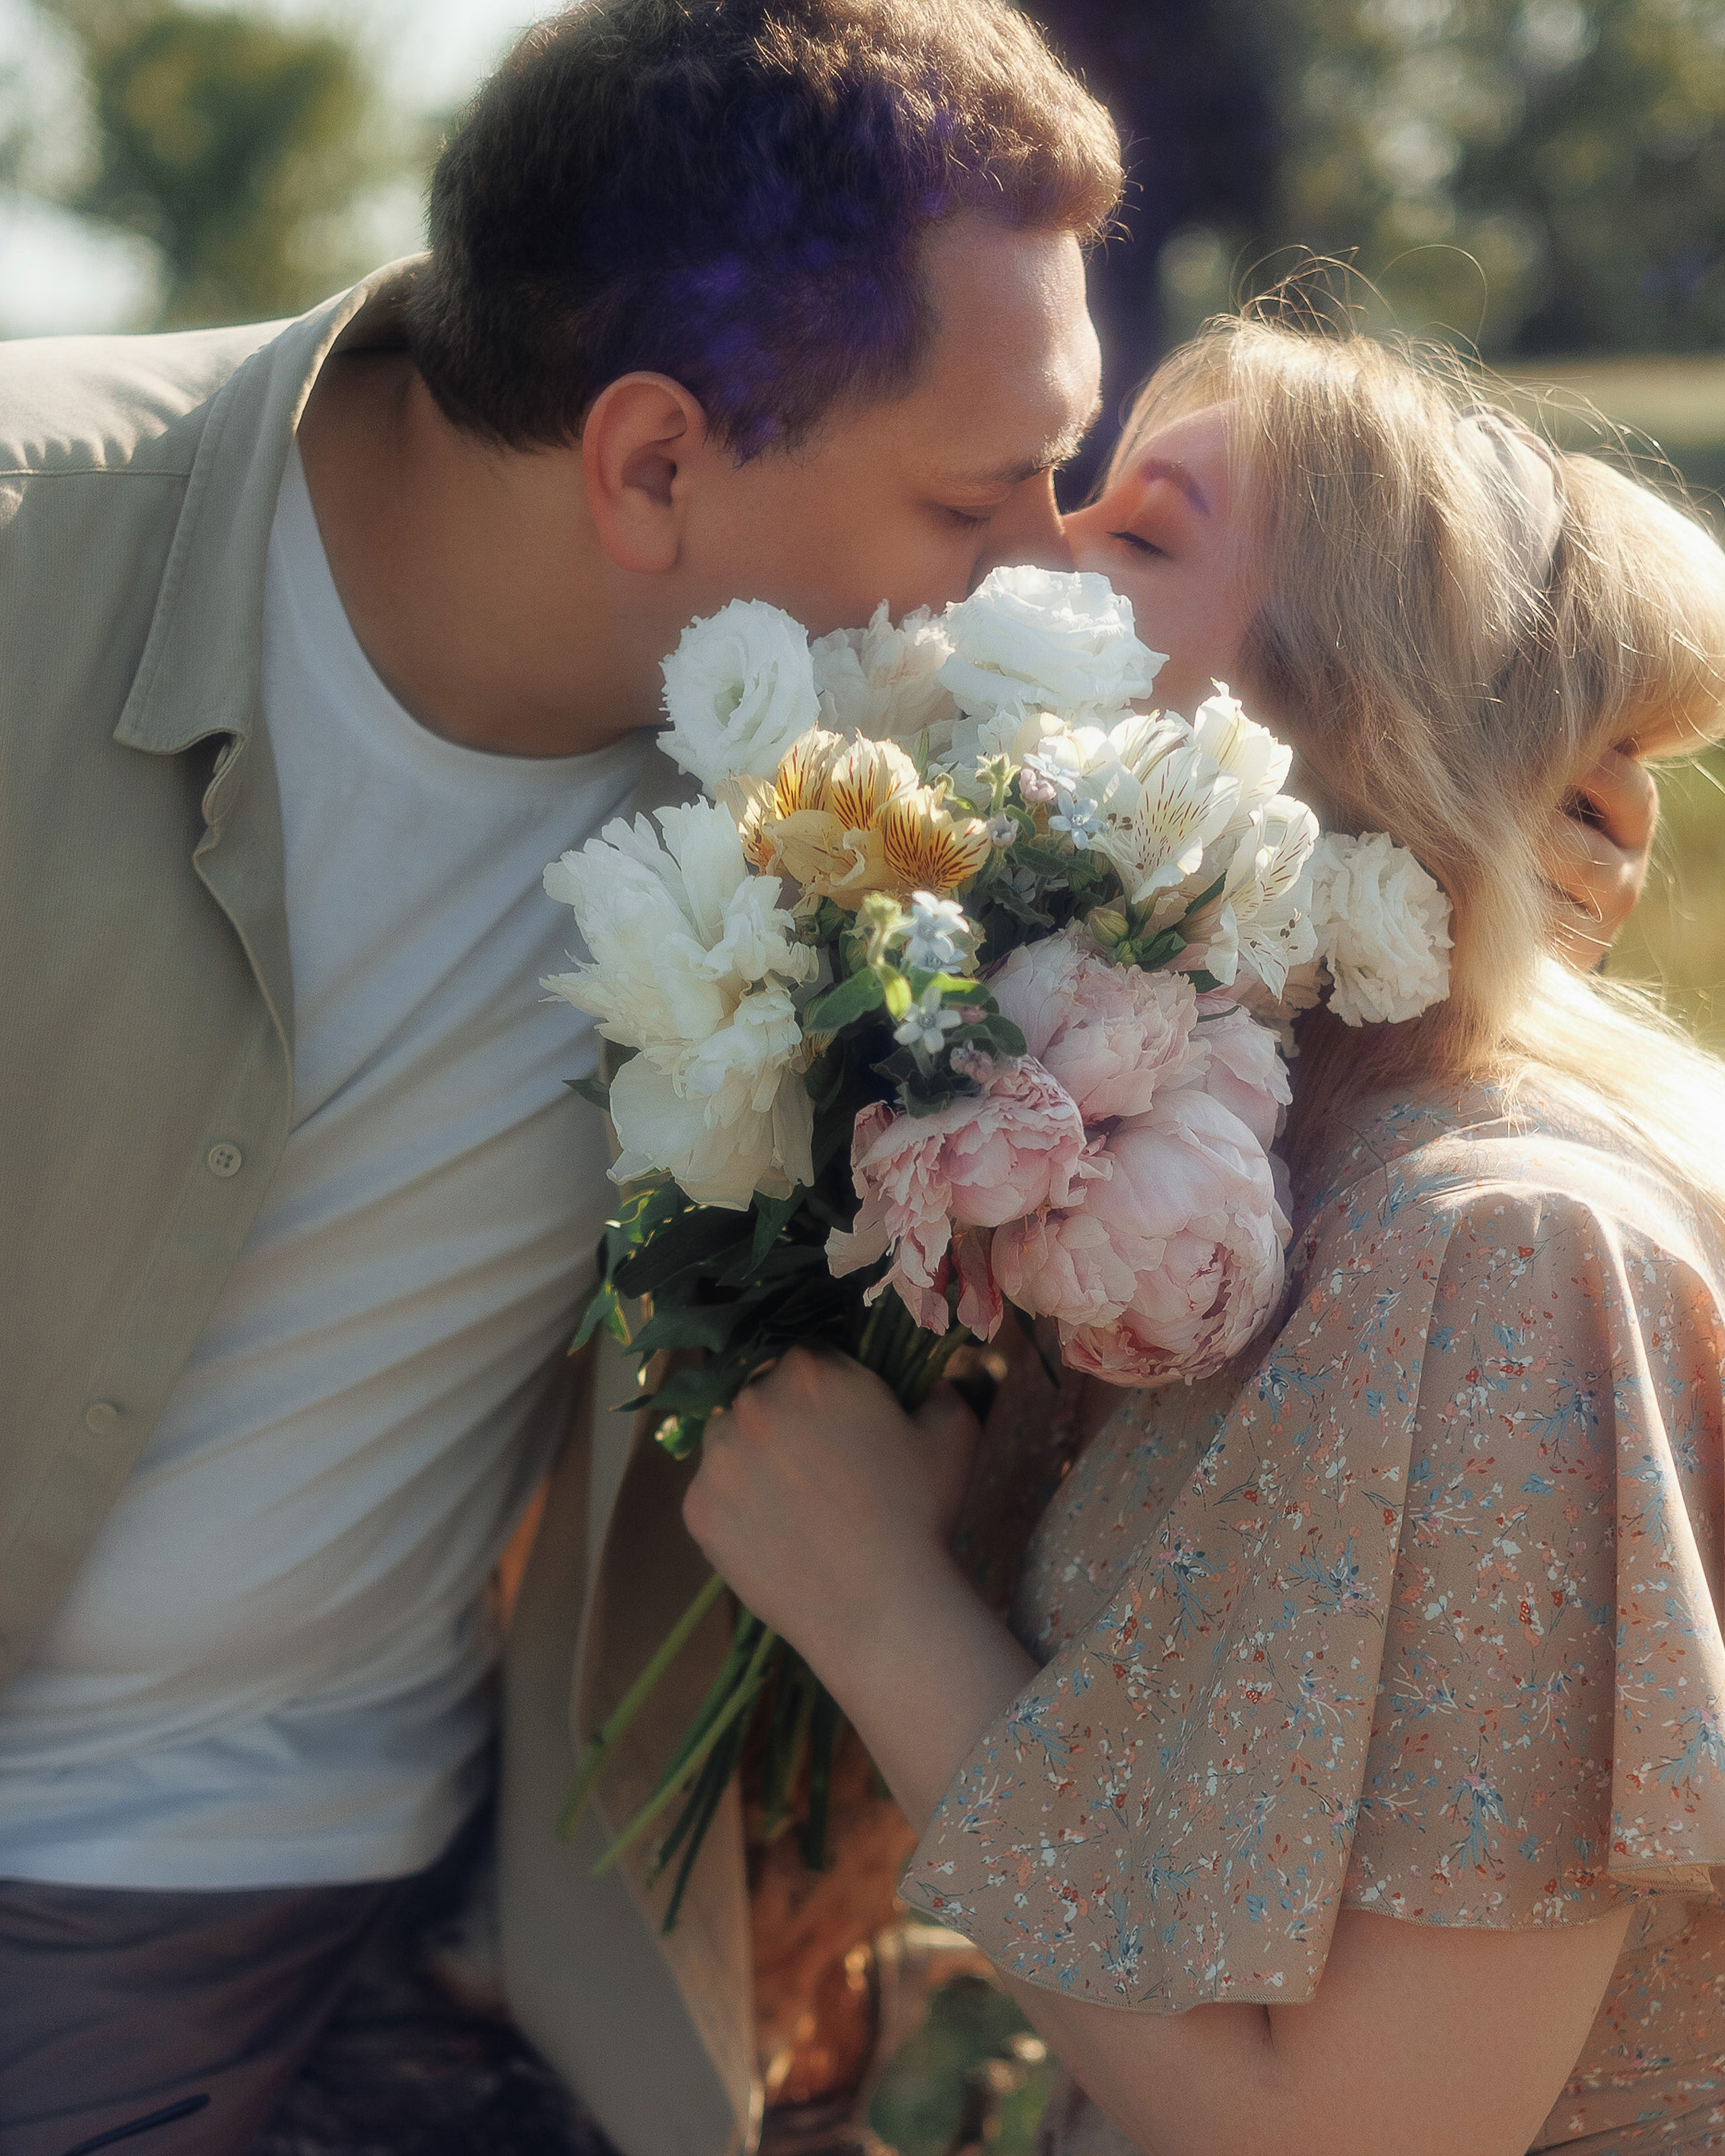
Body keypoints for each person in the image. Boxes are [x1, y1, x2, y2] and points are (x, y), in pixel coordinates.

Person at [0, 6, 1123, 2154]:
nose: (1049, 568)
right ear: (651, 468)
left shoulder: (889, 795)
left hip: (418, 1895)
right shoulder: (31, 556)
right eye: (983, 495)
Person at [682, 309, 1725, 2156]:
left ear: (1351, 737)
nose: (1035, 551)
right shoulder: (1207, 1191)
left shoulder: (1501, 1257)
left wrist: (876, 1608)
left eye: (1140, 533)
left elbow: (1359, 2135)